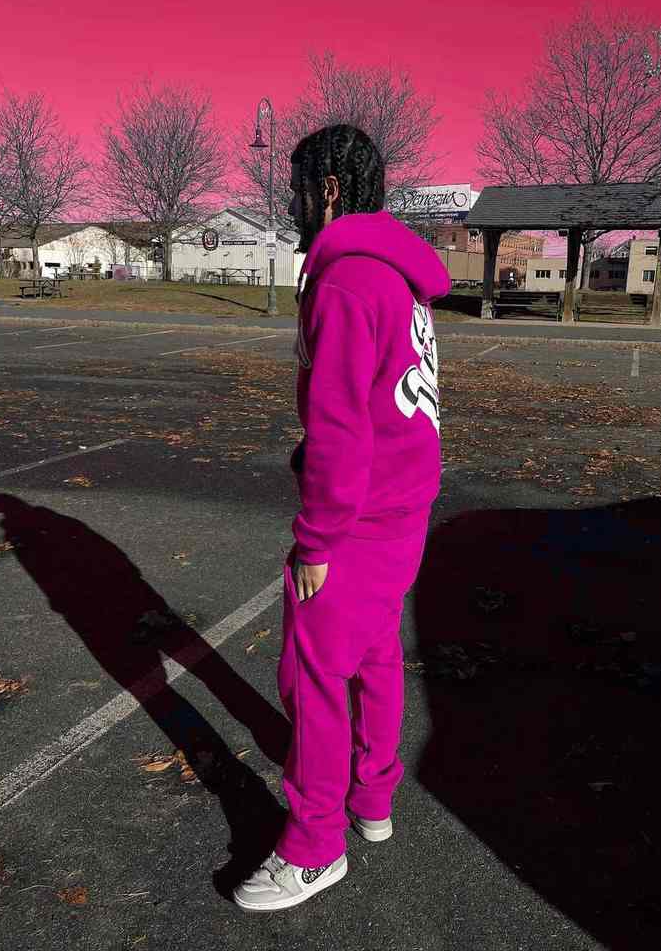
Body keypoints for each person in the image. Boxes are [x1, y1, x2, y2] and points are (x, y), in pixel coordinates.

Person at [233, 124, 450, 912]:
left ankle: (314, 847)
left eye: (296, 189)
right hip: (404, 505)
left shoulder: (348, 280)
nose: (288, 204)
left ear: (328, 190)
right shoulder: (394, 272)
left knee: (313, 678)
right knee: (376, 655)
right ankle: (372, 798)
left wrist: (317, 539)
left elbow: (340, 427)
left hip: (359, 517)